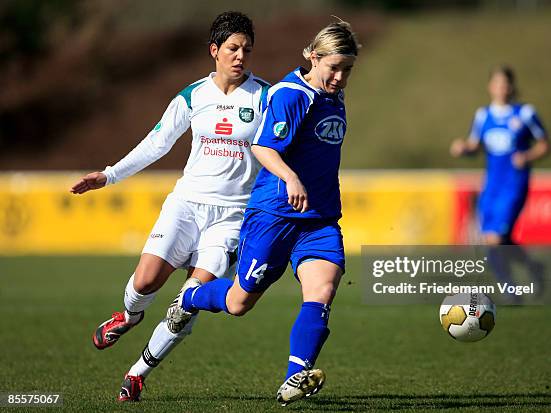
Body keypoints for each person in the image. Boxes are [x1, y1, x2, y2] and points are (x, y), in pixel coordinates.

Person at [69, 11, 269, 401]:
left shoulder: (265, 96)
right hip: (186, 205)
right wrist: (108, 175)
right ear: (214, 50)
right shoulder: (192, 95)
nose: (240, 55)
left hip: (231, 218)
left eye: (246, 49)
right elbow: (156, 143)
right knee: (144, 282)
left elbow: (283, 145)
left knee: (188, 301)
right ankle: (128, 316)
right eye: (232, 48)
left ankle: (137, 373)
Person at [166, 20, 360, 406]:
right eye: (334, 67)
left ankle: (294, 377)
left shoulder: (333, 95)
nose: (340, 76)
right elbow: (263, 147)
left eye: (347, 69)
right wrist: (291, 178)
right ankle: (189, 299)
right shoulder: (292, 94)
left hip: (319, 219)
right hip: (274, 214)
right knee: (239, 302)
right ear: (313, 57)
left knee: (322, 291)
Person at [450, 65, 551, 298]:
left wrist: (527, 156)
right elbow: (475, 146)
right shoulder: (483, 115)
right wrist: (463, 148)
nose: (501, 88)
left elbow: (545, 145)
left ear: (512, 87)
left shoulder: (525, 113)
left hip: (514, 184)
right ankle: (533, 268)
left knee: (495, 238)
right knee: (493, 240)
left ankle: (510, 290)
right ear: (490, 87)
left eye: (505, 84)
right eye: (497, 83)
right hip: (491, 185)